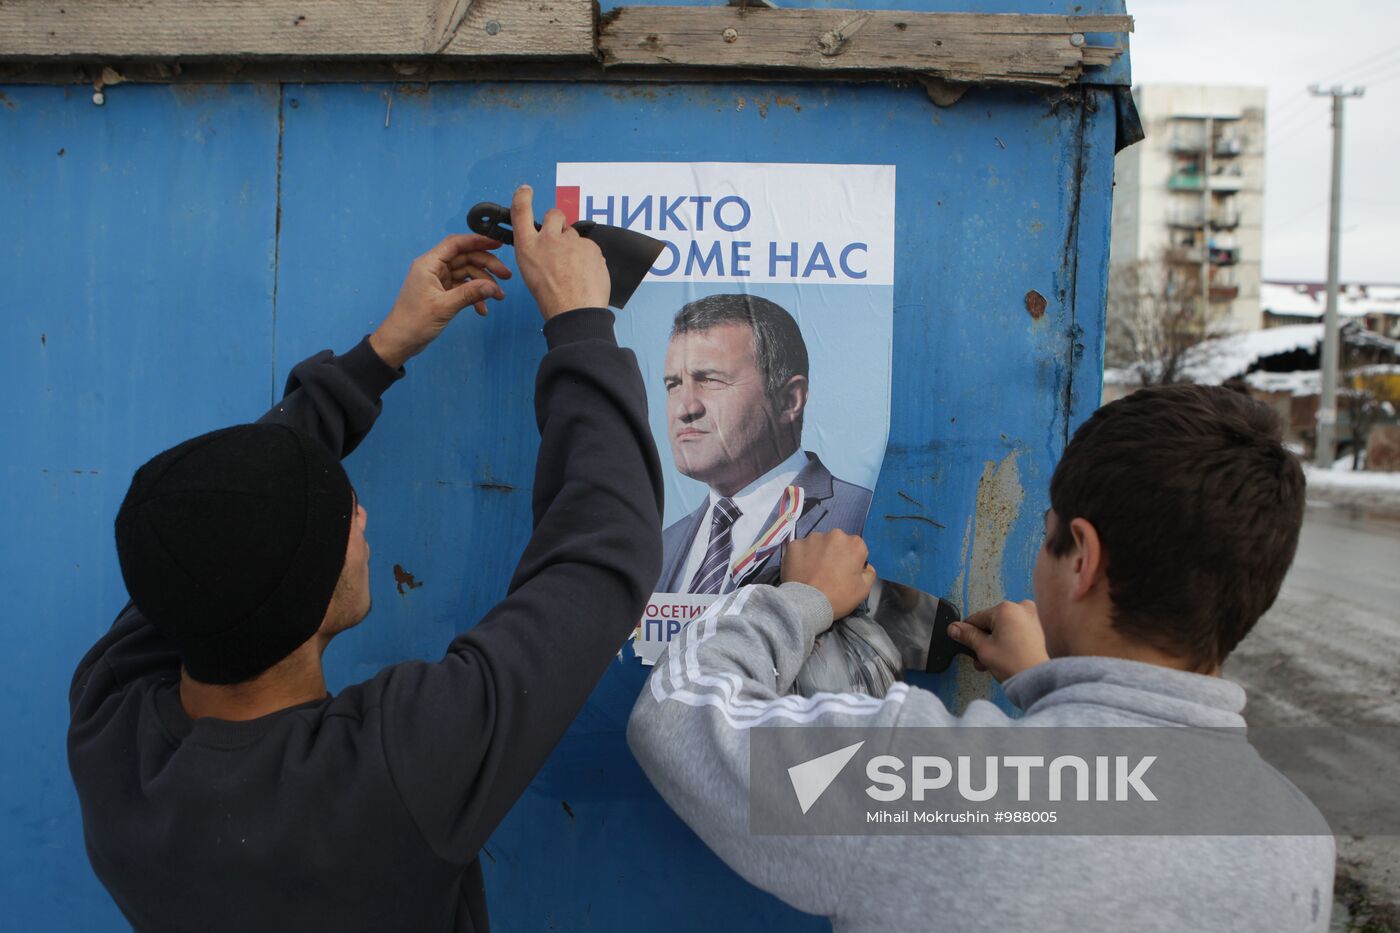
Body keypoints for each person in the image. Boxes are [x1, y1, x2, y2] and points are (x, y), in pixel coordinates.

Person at [67, 186, 664, 933]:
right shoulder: (392, 768)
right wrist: (580, 326)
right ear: (308, 602)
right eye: (344, 516)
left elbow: (220, 510)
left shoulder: (110, 736)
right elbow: (600, 556)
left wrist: (381, 352)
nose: (363, 512)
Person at [628, 385, 1335, 931]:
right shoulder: (1299, 838)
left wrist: (800, 599)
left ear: (1080, 560)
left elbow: (675, 717)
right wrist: (1045, 685)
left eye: (1049, 534)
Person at [657, 293, 872, 594]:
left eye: (711, 380)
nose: (684, 408)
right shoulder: (660, 549)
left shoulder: (865, 517)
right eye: (673, 385)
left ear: (789, 400)